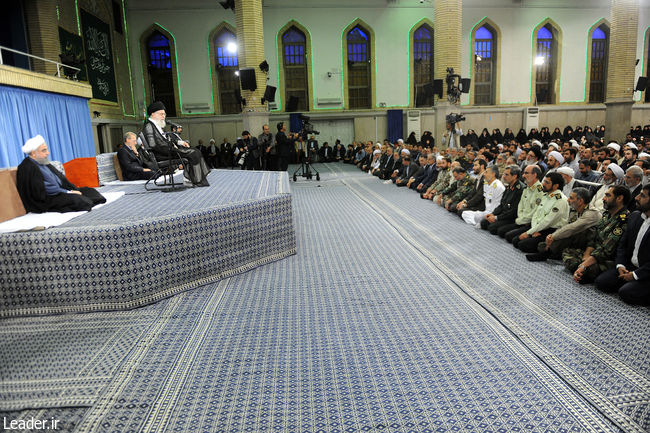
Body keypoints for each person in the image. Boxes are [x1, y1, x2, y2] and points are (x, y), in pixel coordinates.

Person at [16, 135, 106, 213]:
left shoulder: (43, 162)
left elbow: (61, 180)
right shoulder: (27, 167)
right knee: (78, 200)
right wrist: (68, 192)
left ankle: (86, 200)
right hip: (48, 199)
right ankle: (85, 201)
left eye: (46, 149)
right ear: (33, 153)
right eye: (43, 150)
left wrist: (72, 190)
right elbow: (42, 191)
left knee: (90, 191)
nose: (48, 153)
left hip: (60, 192)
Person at [594, 184, 650, 305]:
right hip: (630, 266)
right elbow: (622, 245)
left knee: (626, 293)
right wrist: (620, 265)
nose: (637, 198)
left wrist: (635, 275)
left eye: (643, 196)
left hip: (646, 271)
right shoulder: (635, 216)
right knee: (602, 282)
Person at [563, 185, 631, 284]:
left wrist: (584, 265)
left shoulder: (623, 220)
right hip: (594, 253)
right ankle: (583, 269)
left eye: (608, 195)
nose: (603, 198)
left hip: (607, 259)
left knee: (598, 279)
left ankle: (583, 269)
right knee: (567, 251)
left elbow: (606, 250)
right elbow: (593, 237)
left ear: (619, 198)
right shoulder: (606, 214)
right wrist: (586, 255)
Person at [142, 101, 210, 187]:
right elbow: (153, 145)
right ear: (153, 114)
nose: (164, 116)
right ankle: (196, 179)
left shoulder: (157, 125)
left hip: (167, 151)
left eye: (164, 114)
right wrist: (171, 148)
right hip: (162, 155)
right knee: (192, 152)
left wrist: (180, 142)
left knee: (195, 151)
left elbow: (167, 139)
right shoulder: (149, 126)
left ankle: (196, 177)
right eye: (161, 114)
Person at [526, 187, 600, 261]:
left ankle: (548, 253)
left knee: (566, 236)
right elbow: (565, 225)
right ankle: (554, 252)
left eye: (571, 198)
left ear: (580, 201)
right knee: (542, 245)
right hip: (575, 238)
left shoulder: (592, 213)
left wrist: (554, 236)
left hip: (590, 243)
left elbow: (572, 228)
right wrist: (551, 236)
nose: (568, 200)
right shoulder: (575, 210)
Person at [512, 172, 569, 253]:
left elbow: (548, 221)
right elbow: (536, 214)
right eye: (544, 181)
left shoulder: (560, 200)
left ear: (556, 186)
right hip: (539, 227)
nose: (543, 184)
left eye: (547, 182)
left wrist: (529, 232)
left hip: (551, 231)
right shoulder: (546, 195)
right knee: (515, 240)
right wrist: (534, 230)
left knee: (522, 244)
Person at [481, 165, 525, 234]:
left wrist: (496, 218)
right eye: (504, 174)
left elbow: (513, 211)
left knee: (493, 228)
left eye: (506, 175)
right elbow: (502, 204)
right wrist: (492, 214)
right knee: (484, 222)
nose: (503, 176)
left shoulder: (520, 189)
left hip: (511, 217)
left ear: (514, 176)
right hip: (503, 214)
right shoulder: (508, 187)